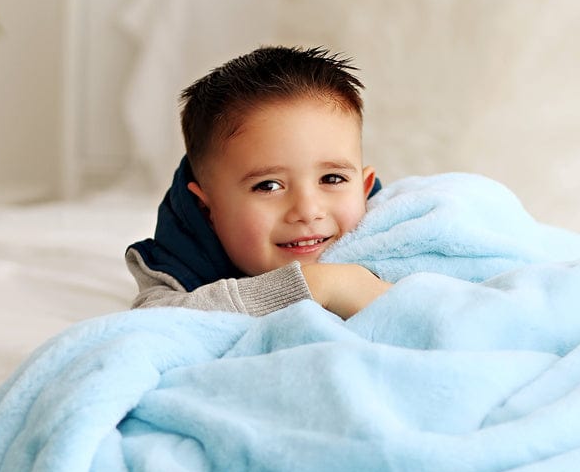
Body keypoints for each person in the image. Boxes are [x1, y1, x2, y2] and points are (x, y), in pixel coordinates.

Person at [125, 45, 392, 319]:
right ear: (207, 209)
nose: (308, 211)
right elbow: (152, 320)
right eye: (268, 186)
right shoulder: (181, 264)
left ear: (364, 188)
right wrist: (316, 285)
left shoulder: (400, 232)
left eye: (332, 178)